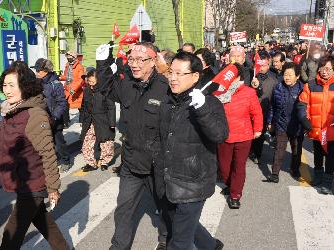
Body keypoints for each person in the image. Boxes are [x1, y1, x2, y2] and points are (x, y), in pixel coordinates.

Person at [0, 61, 69, 249]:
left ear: (24, 87)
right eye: (4, 85)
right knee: (43, 220)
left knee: (12, 233)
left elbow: (48, 154)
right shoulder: (12, 111)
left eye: (12, 85)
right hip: (21, 180)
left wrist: (53, 188)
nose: (7, 90)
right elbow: (4, 144)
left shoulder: (34, 114)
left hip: (33, 182)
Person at [95, 42, 168, 250]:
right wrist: (102, 63)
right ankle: (119, 246)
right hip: (131, 160)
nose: (134, 65)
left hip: (158, 163)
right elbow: (105, 87)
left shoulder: (165, 88)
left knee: (164, 206)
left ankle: (165, 238)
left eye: (140, 60)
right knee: (124, 208)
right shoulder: (127, 84)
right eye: (132, 60)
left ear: (153, 62)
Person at [155, 51, 227, 249]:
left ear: (195, 76)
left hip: (192, 183)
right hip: (167, 180)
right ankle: (210, 246)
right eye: (171, 72)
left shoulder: (209, 102)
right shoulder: (168, 101)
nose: (173, 78)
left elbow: (220, 135)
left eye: (180, 74)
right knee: (185, 226)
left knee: (179, 241)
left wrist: (202, 109)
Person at [297, 56, 334, 194]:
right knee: (318, 154)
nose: (324, 71)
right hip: (315, 127)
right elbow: (302, 104)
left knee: (331, 155)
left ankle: (327, 182)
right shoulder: (310, 84)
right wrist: (304, 119)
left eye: (328, 68)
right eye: (322, 68)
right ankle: (318, 176)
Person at [216, 64, 263, 209]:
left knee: (239, 166)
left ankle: (235, 195)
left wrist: (258, 129)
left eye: (233, 75)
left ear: (239, 76)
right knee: (224, 168)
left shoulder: (249, 92)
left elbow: (257, 112)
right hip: (224, 136)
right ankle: (230, 185)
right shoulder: (217, 92)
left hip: (243, 136)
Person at [266, 62, 304, 183]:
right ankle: (275, 173)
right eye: (285, 74)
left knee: (296, 149)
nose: (287, 77)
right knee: (279, 149)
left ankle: (295, 169)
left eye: (290, 75)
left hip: (297, 125)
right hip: (281, 123)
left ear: (297, 76)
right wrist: (270, 122)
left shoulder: (303, 89)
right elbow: (272, 106)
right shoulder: (278, 87)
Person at [32, 58, 72, 173]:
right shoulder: (36, 83)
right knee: (43, 143)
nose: (37, 73)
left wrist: (54, 117)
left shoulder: (56, 84)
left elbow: (62, 103)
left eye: (38, 70)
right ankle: (47, 163)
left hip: (54, 119)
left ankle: (66, 161)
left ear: (46, 71)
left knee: (59, 142)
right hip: (41, 119)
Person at [79, 67, 116, 172]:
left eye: (93, 82)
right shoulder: (86, 90)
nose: (91, 84)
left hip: (103, 120)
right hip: (90, 121)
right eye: (89, 81)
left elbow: (111, 107)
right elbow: (83, 107)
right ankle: (91, 163)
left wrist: (112, 122)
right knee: (86, 143)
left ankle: (104, 161)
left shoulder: (105, 91)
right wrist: (81, 120)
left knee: (106, 143)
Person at [250, 52, 278, 164]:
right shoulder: (250, 76)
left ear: (269, 64)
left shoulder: (273, 80)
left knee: (259, 135)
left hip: (264, 111)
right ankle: (249, 151)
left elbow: (275, 99)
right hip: (249, 111)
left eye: (265, 65)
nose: (261, 68)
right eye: (259, 65)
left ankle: (257, 153)